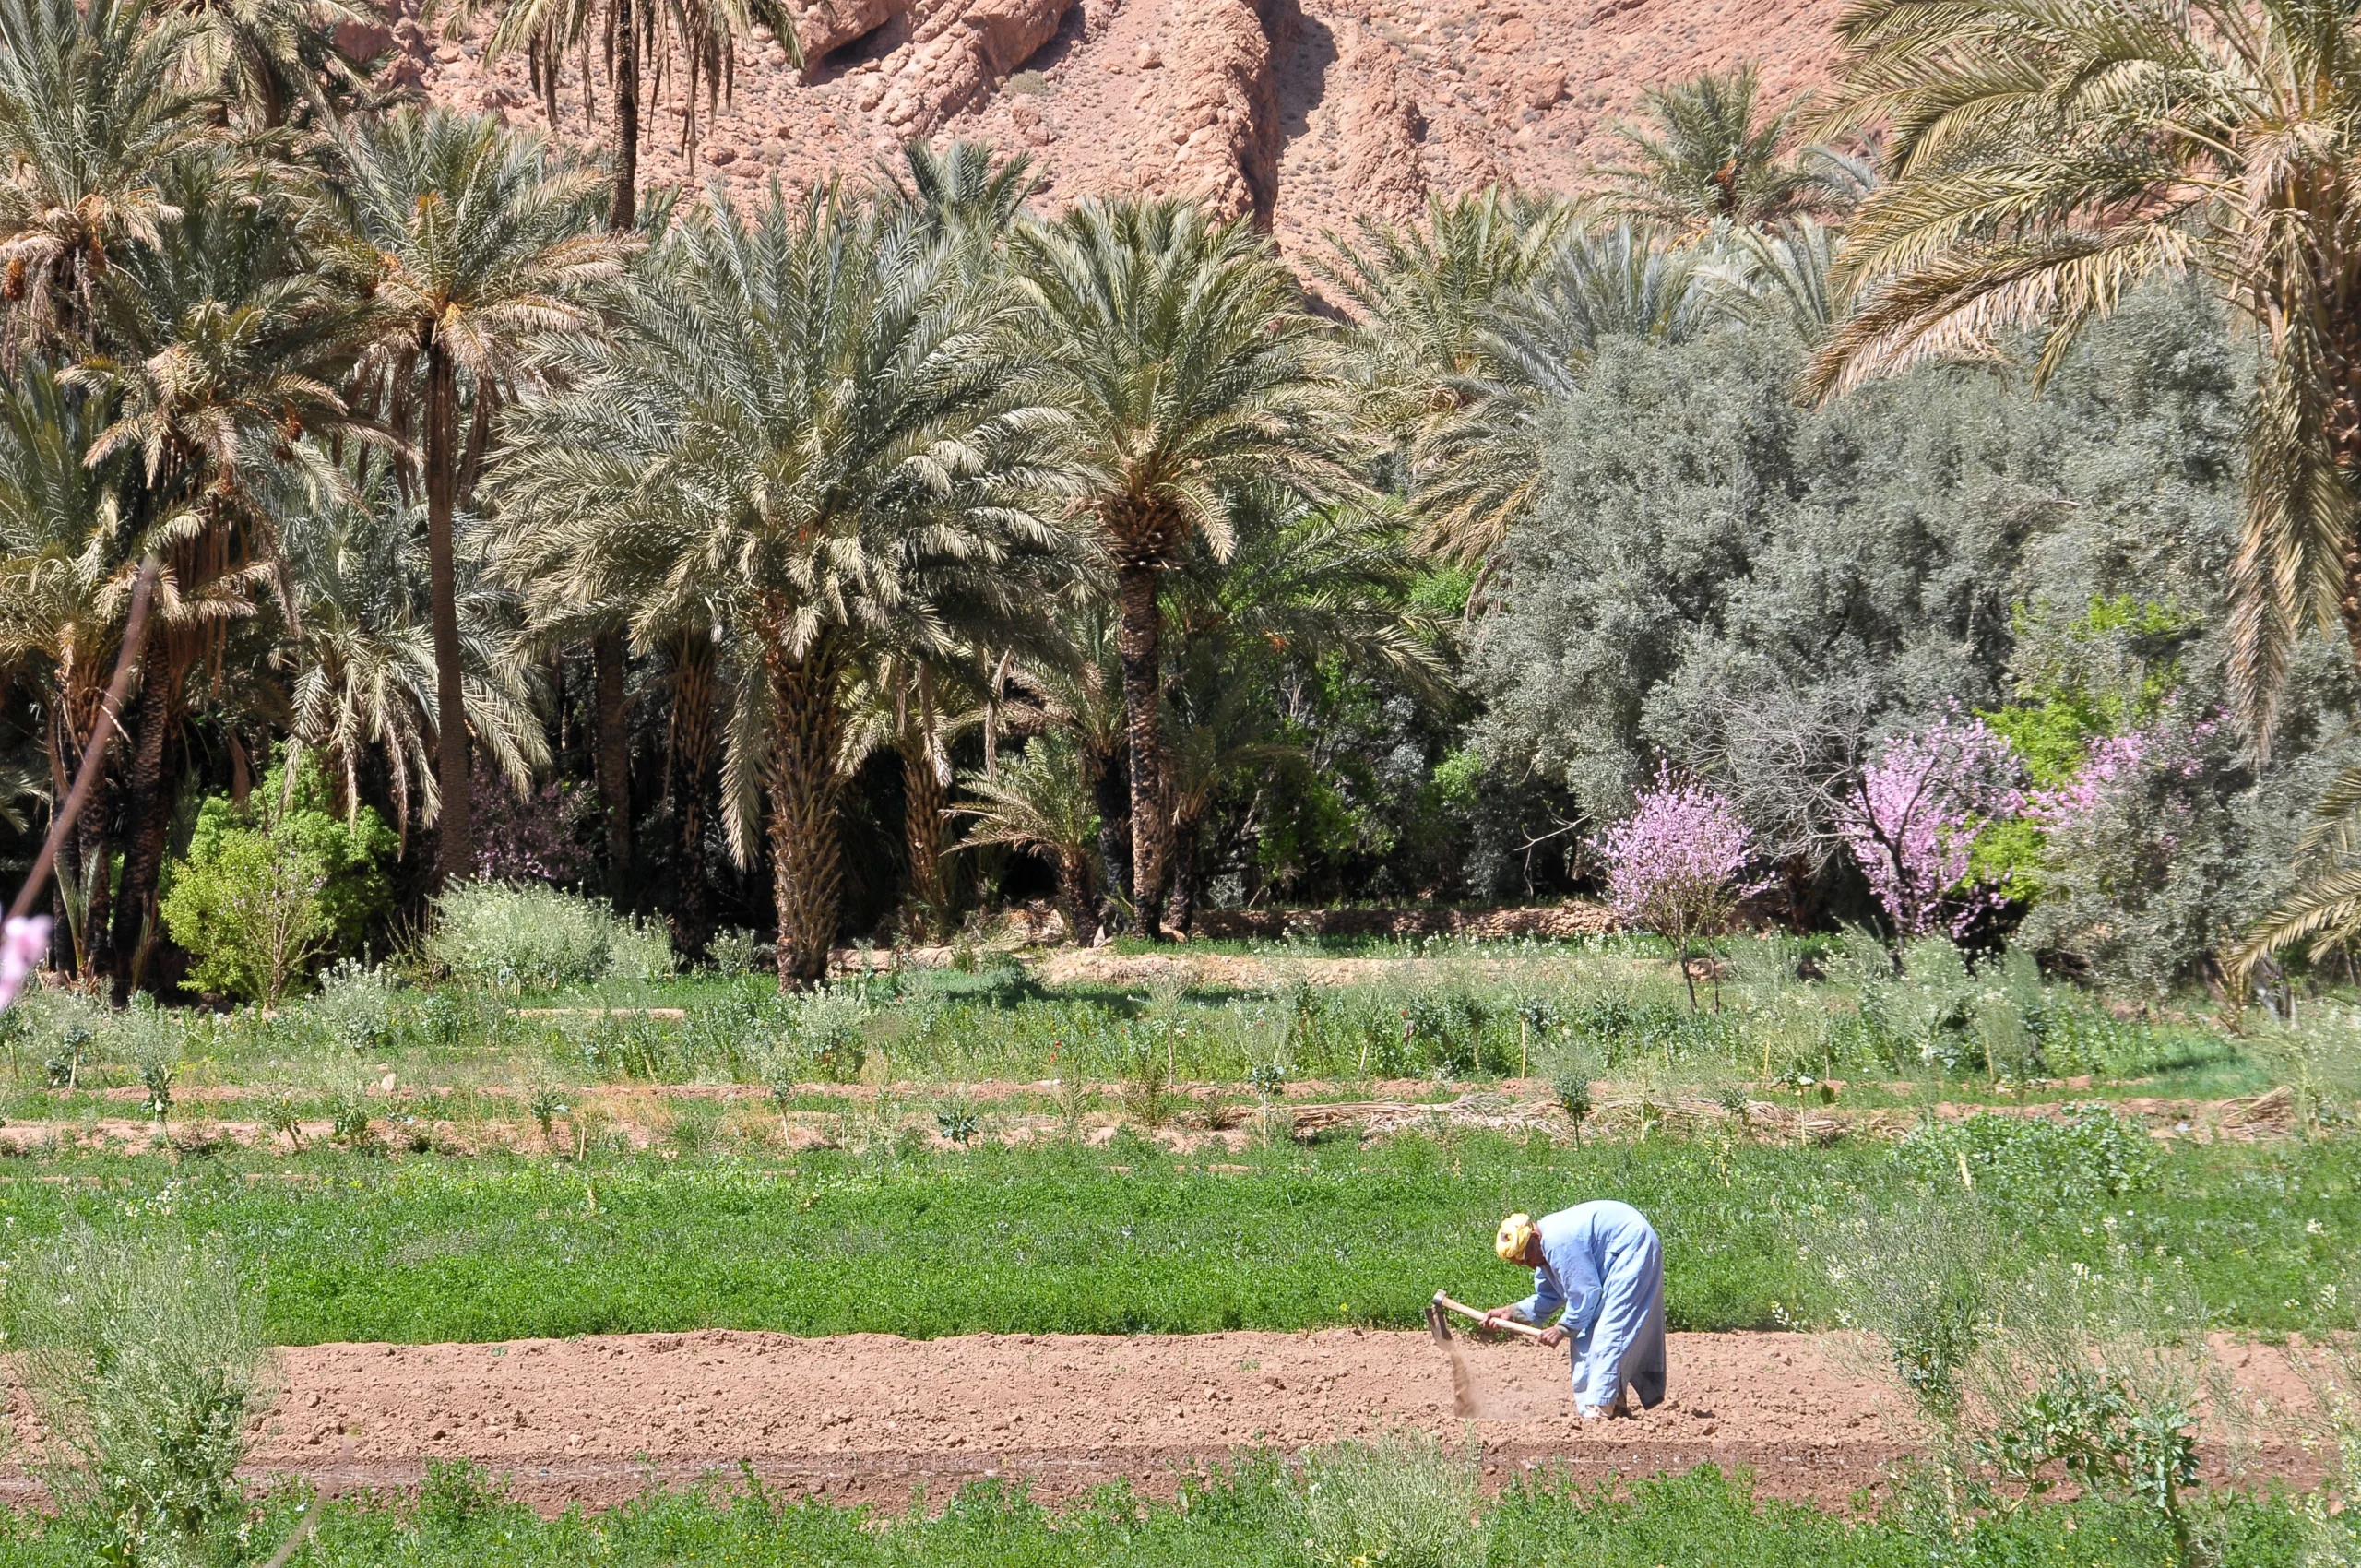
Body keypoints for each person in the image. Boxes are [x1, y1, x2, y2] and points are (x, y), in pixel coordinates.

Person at [1482, 1202, 1666, 1419]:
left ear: (1534, 1238)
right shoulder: (1543, 1254)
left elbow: (1586, 1293)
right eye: (1520, 1263)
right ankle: (1611, 1402)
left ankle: (1601, 1405)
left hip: (1632, 1247)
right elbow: (1549, 1296)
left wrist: (1562, 1329)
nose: (1529, 1265)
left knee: (1611, 1328)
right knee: (1584, 1335)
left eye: (1526, 1258)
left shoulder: (1559, 1244)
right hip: (1613, 1255)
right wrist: (1512, 1312)